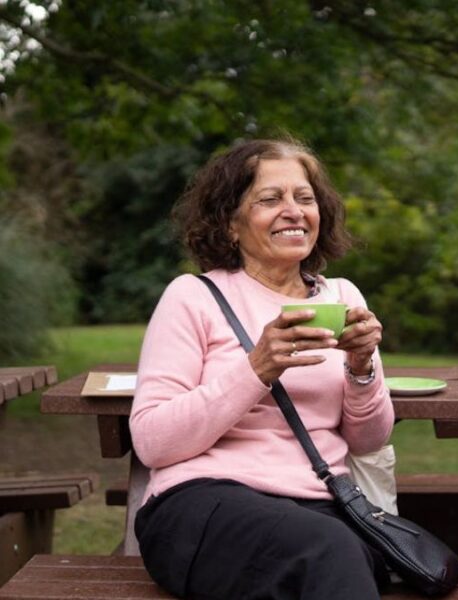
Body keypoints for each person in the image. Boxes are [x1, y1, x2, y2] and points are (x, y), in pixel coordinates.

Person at [130, 139, 394, 599]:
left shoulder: (344, 296)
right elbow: (153, 442)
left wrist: (361, 365)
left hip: (321, 504)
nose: (293, 211)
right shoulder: (192, 297)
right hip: (204, 503)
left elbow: (368, 439)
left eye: (304, 198)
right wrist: (256, 368)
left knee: (356, 557)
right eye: (270, 199)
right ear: (231, 224)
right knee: (329, 554)